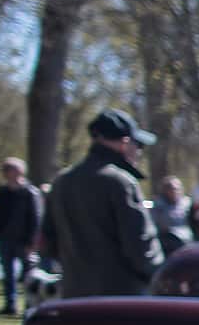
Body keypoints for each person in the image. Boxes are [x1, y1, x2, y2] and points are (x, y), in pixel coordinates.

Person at [41, 108, 163, 298]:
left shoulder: (61, 181)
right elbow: (141, 249)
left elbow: (48, 243)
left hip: (74, 296)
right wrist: (161, 277)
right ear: (125, 143)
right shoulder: (121, 182)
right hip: (121, 299)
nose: (139, 152)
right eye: (138, 145)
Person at [0, 157, 45, 315]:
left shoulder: (30, 193)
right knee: (8, 275)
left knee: (29, 276)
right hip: (5, 239)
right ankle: (10, 305)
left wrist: (32, 243)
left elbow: (36, 218)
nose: (6, 173)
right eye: (5, 170)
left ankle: (30, 305)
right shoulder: (1, 192)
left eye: (9, 170)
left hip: (24, 241)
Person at [151, 175, 193, 257]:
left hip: (187, 240)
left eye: (177, 189)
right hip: (167, 242)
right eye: (171, 189)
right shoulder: (158, 206)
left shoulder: (187, 204)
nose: (175, 191)